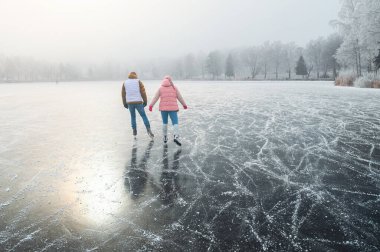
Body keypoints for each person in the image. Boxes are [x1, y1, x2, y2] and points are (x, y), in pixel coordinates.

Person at [149, 75, 187, 146]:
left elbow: (155, 98)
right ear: (170, 80)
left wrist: (151, 105)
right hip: (173, 109)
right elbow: (180, 97)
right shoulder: (174, 88)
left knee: (165, 122)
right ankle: (176, 136)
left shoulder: (160, 88)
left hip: (163, 109)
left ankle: (165, 137)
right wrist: (184, 105)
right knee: (175, 122)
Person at [121, 72, 154, 138]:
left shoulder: (125, 83)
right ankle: (148, 129)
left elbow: (123, 94)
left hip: (130, 103)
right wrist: (145, 101)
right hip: (138, 102)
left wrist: (124, 103)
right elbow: (143, 92)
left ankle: (134, 130)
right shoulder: (138, 81)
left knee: (133, 117)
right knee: (143, 116)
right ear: (135, 76)